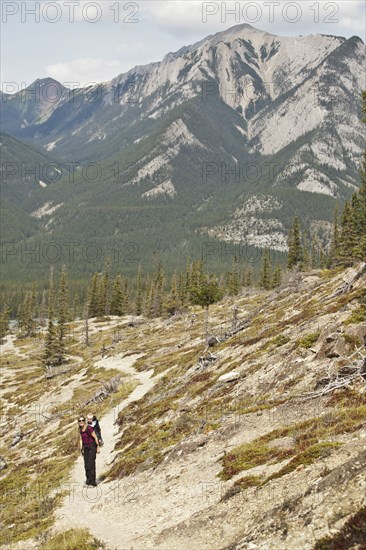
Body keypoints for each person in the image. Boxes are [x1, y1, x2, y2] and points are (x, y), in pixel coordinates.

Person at [78, 416, 100, 487]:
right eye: (79, 421)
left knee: (91, 464)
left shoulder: (89, 428)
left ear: (84, 421)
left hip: (92, 446)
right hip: (86, 448)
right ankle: (88, 481)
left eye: (82, 420)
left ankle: (93, 482)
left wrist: (98, 447)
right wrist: (81, 449)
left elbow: (95, 437)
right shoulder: (80, 429)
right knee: (86, 465)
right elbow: (81, 439)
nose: (81, 422)